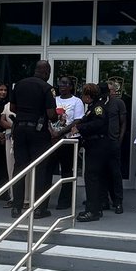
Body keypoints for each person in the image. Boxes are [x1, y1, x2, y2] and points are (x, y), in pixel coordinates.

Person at [9, 60, 58, 218]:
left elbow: (12, 108)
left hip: (19, 129)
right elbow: (51, 114)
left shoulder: (20, 84)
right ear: (46, 72)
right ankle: (39, 208)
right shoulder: (47, 88)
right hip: (37, 131)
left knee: (19, 168)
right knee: (41, 169)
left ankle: (16, 207)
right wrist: (56, 116)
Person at [67, 83, 117, 223]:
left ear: (88, 96)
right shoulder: (93, 107)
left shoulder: (98, 107)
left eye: (83, 95)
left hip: (97, 146)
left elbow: (98, 123)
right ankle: (96, 206)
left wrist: (80, 128)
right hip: (94, 145)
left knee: (92, 177)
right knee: (94, 177)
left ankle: (92, 210)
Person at [52, 75, 84, 210]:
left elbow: (77, 120)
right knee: (48, 169)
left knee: (67, 170)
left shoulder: (77, 101)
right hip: (53, 139)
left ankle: (65, 201)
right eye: (60, 83)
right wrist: (52, 132)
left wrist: (60, 132)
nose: (62, 86)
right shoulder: (54, 100)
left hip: (69, 140)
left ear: (71, 86)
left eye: (65, 84)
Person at [102, 79, 127, 214]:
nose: (109, 92)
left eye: (110, 90)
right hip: (101, 143)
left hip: (113, 142)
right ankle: (104, 200)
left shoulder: (119, 103)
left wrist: (120, 140)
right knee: (102, 172)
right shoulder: (100, 103)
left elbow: (123, 122)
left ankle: (118, 202)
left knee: (115, 173)